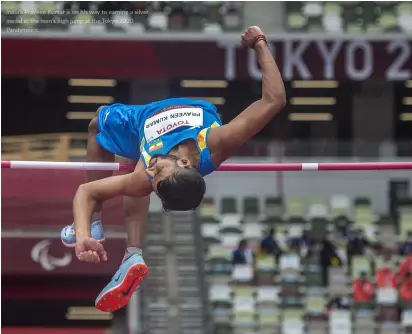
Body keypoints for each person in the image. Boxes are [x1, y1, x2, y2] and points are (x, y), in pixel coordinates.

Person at [60, 25, 286, 313]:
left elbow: (86, 191)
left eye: (153, 177)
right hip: (187, 113)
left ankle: (120, 244)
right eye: (158, 171)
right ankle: (128, 250)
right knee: (133, 173)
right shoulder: (217, 142)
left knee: (100, 130)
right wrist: (260, 42)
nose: (151, 170)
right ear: (184, 163)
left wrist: (82, 237)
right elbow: (274, 99)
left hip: (142, 123)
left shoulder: (150, 176)